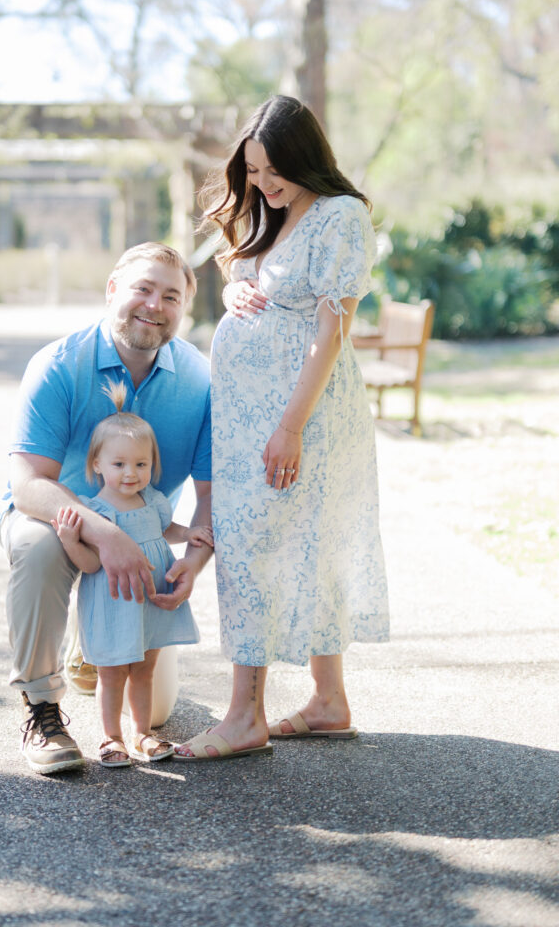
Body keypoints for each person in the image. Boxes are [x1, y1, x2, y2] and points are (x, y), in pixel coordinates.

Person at [175, 95, 389, 762]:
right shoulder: (274, 214)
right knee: (290, 543)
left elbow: (331, 328)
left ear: (304, 158)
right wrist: (240, 289)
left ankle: (244, 716)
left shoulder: (339, 216)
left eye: (274, 171)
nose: (263, 184)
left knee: (254, 547)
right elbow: (253, 278)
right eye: (254, 171)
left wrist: (290, 427)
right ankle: (328, 702)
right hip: (249, 421)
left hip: (305, 417)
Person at [0, 242, 212, 775]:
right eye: (142, 288)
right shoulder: (57, 365)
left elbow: (211, 494)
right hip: (59, 519)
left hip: (145, 541)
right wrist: (105, 533)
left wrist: (196, 560)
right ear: (112, 289)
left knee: (155, 711)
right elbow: (27, 484)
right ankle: (42, 706)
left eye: (171, 296)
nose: (154, 305)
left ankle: (87, 642)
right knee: (38, 546)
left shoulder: (201, 379)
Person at [51, 382, 211, 767]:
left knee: (144, 668)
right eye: (119, 464)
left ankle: (142, 733)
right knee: (111, 674)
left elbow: (163, 529)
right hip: (113, 601)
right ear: (97, 465)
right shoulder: (94, 510)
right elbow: (90, 565)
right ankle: (110, 737)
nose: (130, 473)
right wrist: (71, 540)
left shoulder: (152, 498)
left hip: (150, 598)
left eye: (141, 464)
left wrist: (187, 533)